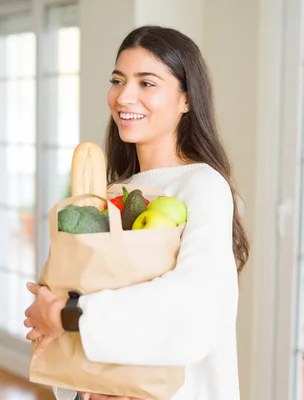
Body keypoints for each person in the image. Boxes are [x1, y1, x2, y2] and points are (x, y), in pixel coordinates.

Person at [23, 25, 250, 400]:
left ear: (186, 99)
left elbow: (196, 302)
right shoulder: (112, 194)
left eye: (147, 83)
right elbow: (76, 285)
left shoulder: (203, 186)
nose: (124, 97)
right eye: (118, 80)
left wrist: (70, 314)